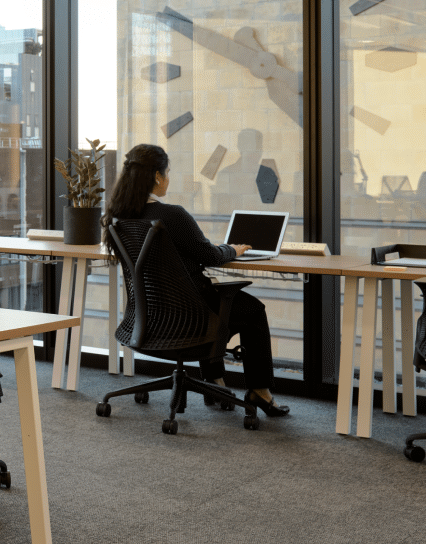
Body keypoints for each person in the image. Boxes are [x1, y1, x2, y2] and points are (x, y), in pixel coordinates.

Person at [104, 142, 289, 418]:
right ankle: (259, 392)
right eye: (167, 172)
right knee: (251, 310)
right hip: (189, 319)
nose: (168, 178)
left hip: (150, 319)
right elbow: (210, 255)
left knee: (208, 302)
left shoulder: (118, 218)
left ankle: (214, 381)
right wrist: (233, 250)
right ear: (157, 176)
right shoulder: (172, 215)